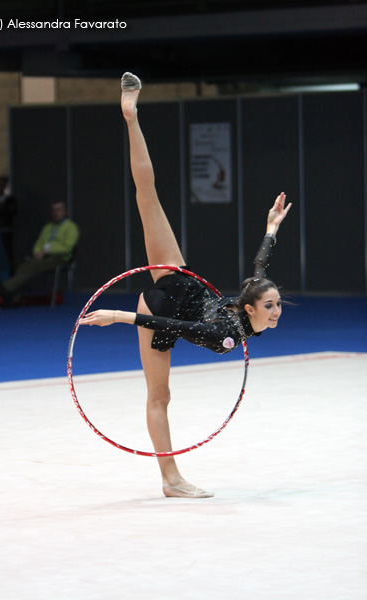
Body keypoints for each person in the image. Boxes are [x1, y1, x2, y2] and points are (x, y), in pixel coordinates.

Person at [79, 73, 292, 498]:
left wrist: (270, 229)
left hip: (172, 292)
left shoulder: (244, 311)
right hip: (166, 300)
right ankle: (130, 115)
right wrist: (117, 316)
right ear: (249, 308)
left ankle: (170, 479)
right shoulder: (229, 336)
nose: (276, 311)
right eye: (271, 305)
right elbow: (180, 324)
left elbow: (259, 266)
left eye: (277, 304)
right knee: (161, 397)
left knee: (148, 198)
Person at [0, 201, 79, 304]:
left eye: (58, 210)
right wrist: (37, 252)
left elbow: (67, 247)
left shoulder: (71, 227)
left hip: (60, 258)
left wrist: (47, 250)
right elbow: (39, 242)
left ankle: (5, 288)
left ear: (65, 212)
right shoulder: (48, 227)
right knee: (23, 267)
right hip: (43, 257)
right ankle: (13, 298)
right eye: (53, 210)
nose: (55, 213)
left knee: (35, 266)